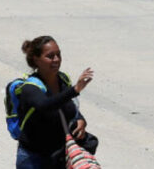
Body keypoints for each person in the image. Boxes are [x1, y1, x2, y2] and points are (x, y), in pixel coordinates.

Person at [16, 35, 96, 169]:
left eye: (58, 54)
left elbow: (69, 106)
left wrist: (80, 119)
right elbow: (45, 106)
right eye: (50, 56)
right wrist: (75, 89)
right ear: (36, 59)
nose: (56, 59)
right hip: (34, 159)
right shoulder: (30, 87)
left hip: (59, 156)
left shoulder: (63, 80)